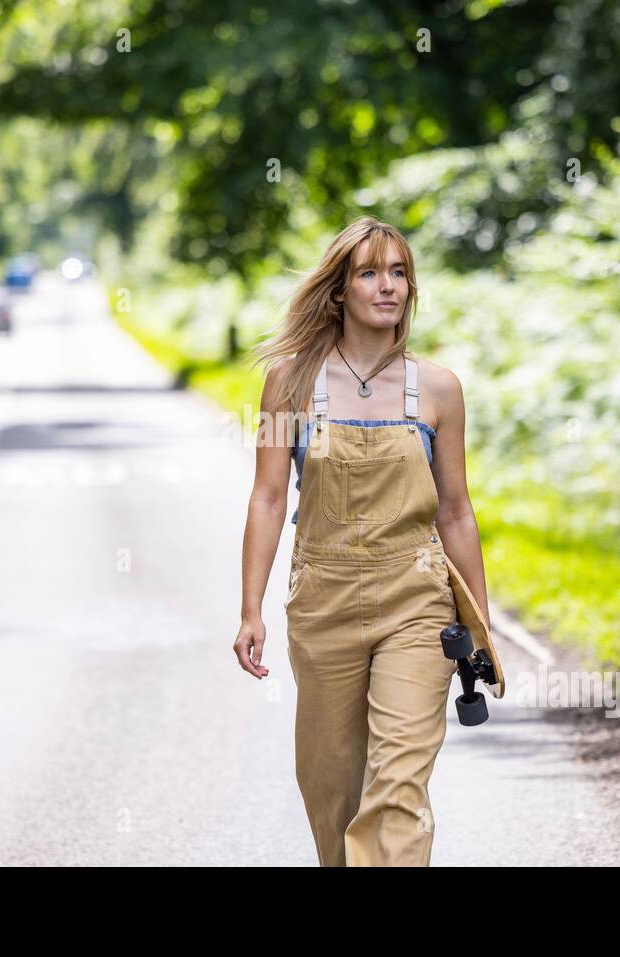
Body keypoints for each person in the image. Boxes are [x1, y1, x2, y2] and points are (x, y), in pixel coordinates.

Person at [233, 215, 494, 866]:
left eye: (399, 272)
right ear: (339, 289)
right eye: (370, 272)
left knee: (399, 784)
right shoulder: (290, 382)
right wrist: (249, 609)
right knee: (334, 791)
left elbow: (457, 512)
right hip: (322, 600)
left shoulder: (438, 390)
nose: (388, 286)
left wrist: (479, 622)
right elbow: (268, 497)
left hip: (417, 599)